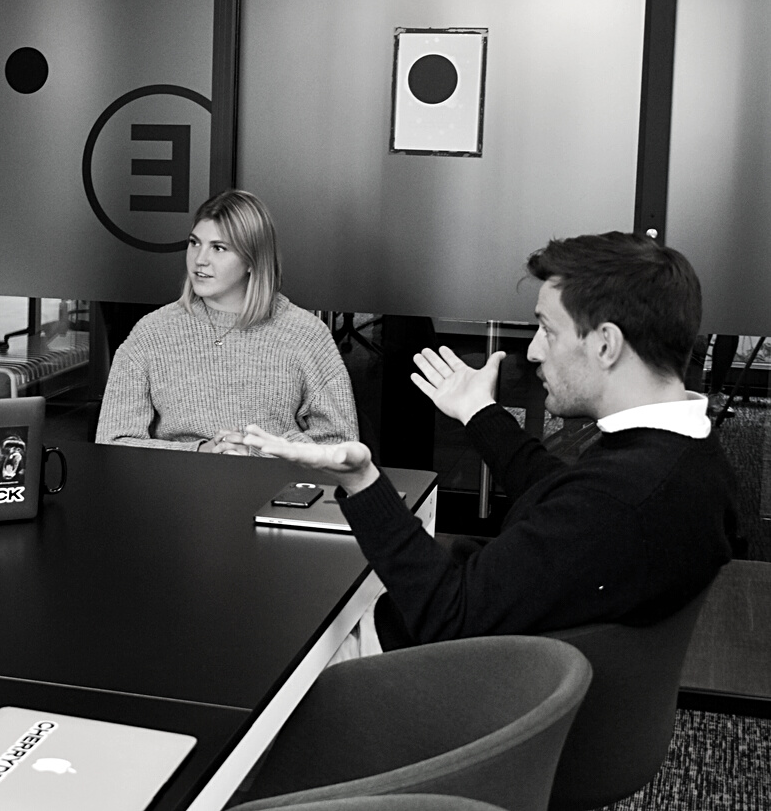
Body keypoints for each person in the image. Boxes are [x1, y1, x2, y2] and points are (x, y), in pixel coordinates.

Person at [244, 231, 738, 649]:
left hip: (413, 671)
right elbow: (561, 495)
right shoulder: (686, 454)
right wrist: (479, 412)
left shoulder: (620, 503)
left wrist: (362, 482)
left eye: (547, 329)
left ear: (605, 344)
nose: (534, 350)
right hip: (488, 652)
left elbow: (448, 614)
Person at [95, 189, 357, 451]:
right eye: (194, 243)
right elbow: (112, 441)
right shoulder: (152, 332)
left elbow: (341, 446)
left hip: (272, 478)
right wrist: (200, 451)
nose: (200, 260)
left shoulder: (305, 334)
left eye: (218, 248)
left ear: (252, 260)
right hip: (177, 477)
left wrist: (260, 451)